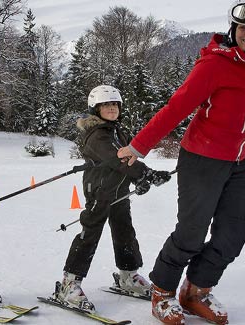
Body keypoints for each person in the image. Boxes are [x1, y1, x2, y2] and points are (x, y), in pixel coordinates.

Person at [116, 1, 245, 324]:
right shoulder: (215, 65)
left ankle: (195, 291)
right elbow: (177, 107)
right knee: (190, 234)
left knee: (232, 236)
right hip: (202, 160)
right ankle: (162, 291)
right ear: (233, 29)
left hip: (238, 164)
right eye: (243, 28)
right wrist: (139, 145)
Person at [52, 85, 171, 313]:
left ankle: (128, 275)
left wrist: (139, 180)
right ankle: (69, 283)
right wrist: (147, 174)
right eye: (106, 105)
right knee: (90, 233)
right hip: (100, 190)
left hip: (119, 190)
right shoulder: (97, 135)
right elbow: (118, 159)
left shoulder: (117, 130)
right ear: (95, 108)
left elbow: (130, 158)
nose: (112, 108)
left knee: (125, 232)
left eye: (115, 104)